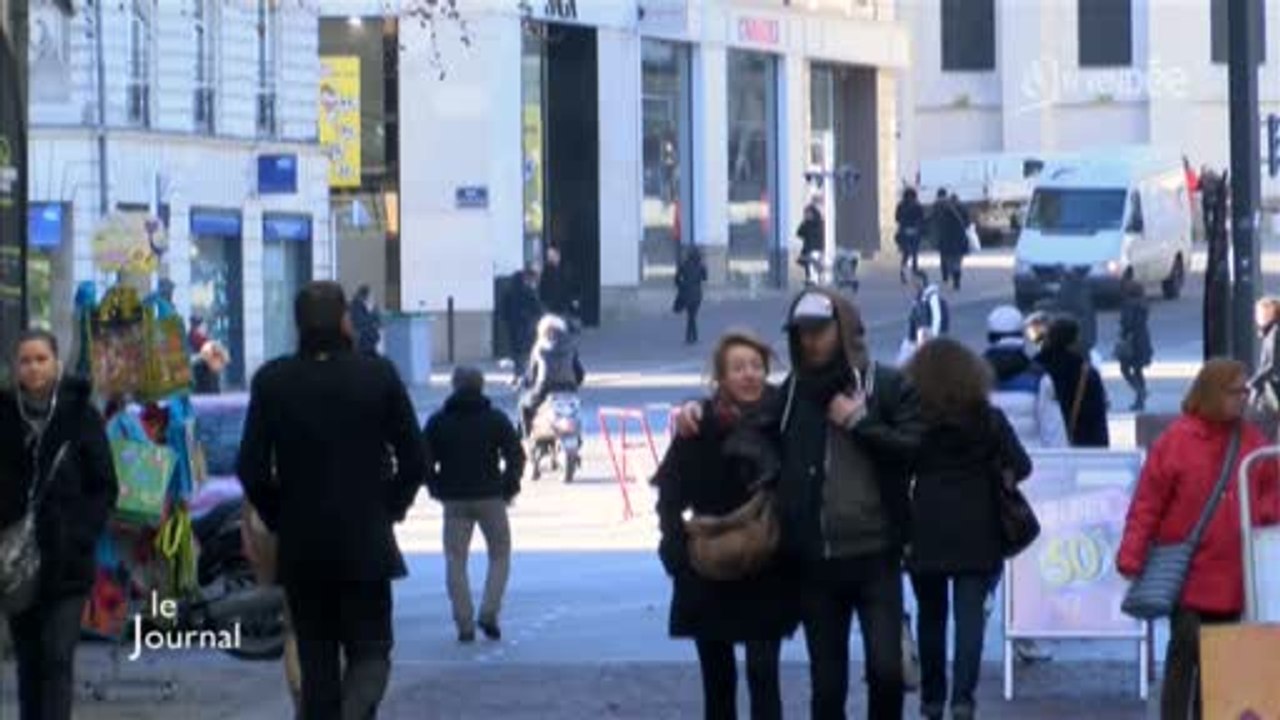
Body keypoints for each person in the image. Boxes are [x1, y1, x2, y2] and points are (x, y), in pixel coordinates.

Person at [675, 287, 924, 719]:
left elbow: (915, 448)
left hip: (876, 555)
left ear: (842, 329)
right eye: (801, 332)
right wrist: (695, 410)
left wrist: (859, 422)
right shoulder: (793, 394)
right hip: (816, 564)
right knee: (827, 690)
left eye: (819, 331)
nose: (810, 341)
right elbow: (743, 414)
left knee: (886, 672)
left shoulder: (885, 385)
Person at [236, 281, 427, 720]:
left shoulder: (273, 381)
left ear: (299, 324)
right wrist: (390, 507)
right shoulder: (376, 375)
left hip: (304, 547)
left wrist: (280, 515)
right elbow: (415, 458)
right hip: (366, 540)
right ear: (344, 320)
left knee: (316, 659)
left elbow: (251, 467)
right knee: (371, 651)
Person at [1117, 359, 1280, 720]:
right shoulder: (1177, 441)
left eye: (1245, 391)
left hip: (1235, 573)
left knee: (1217, 660)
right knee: (1187, 653)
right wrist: (1132, 555)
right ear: (1211, 393)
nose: (1244, 399)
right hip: (1190, 570)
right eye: (1235, 392)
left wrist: (1265, 514)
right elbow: (1147, 504)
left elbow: (1271, 488)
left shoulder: (1250, 438)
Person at [654, 331, 798, 720]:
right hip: (709, 566)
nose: (749, 375)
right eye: (738, 368)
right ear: (721, 377)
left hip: (767, 564)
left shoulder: (784, 421)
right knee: (717, 680)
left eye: (756, 366)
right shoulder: (698, 426)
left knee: (763, 673)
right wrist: (675, 548)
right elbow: (669, 490)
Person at [903, 338, 1031, 720]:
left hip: (925, 523)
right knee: (970, 616)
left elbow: (896, 465)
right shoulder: (988, 419)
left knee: (931, 615)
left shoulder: (914, 419)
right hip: (978, 525)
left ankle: (931, 699)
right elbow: (1021, 466)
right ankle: (963, 699)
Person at [0, 330, 119, 720]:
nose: (33, 368)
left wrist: (80, 534)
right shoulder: (4, 416)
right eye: (25, 360)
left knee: (57, 657)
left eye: (40, 359)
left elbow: (104, 485)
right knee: (29, 661)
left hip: (66, 559)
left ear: (56, 364)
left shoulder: (80, 416)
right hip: (15, 561)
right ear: (15, 368)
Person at [982, 306, 1064, 664]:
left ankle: (982, 604)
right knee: (1028, 560)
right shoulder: (1038, 377)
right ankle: (1026, 636)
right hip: (1030, 481)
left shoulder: (974, 377)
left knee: (986, 557)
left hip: (985, 481)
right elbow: (1054, 434)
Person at [424, 366, 525, 643]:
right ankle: (489, 612)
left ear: (454, 386)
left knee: (455, 560)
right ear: (482, 386)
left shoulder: (439, 421)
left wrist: (435, 486)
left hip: (454, 499)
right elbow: (516, 454)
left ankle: (464, 623)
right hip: (490, 496)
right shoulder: (494, 419)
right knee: (500, 555)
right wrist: (509, 485)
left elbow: (423, 459)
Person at [1036, 317, 1109, 448]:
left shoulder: (1034, 370)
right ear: (1074, 341)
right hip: (1081, 447)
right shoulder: (1087, 374)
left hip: (1042, 448)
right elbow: (1097, 422)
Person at [519, 315, 585, 439]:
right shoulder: (571, 347)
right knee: (574, 411)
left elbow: (531, 374)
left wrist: (526, 382)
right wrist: (575, 382)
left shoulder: (539, 347)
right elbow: (579, 373)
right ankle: (577, 437)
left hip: (544, 388)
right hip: (568, 388)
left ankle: (527, 436)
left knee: (524, 405)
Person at [1116, 274, 1154, 412]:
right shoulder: (1143, 304)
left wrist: (1123, 331)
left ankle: (1140, 392)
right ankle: (1140, 399)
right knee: (1138, 370)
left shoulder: (1128, 304)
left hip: (1131, 342)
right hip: (1142, 340)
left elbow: (1127, 323)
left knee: (1125, 369)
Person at [503, 267, 543, 383]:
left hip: (513, 326)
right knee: (528, 351)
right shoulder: (527, 291)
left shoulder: (508, 291)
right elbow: (537, 308)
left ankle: (517, 374)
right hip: (526, 325)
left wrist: (507, 320)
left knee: (516, 352)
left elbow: (503, 308)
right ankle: (528, 374)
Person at [1053, 266, 1097, 360]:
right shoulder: (1080, 286)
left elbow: (1063, 305)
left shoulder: (1071, 287)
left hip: (1078, 336)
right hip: (1082, 337)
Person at [1248, 296, 1280, 416]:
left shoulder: (1275, 332)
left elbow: (1272, 364)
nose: (1257, 317)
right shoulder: (1270, 331)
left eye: (1260, 313)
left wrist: (1253, 383)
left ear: (1271, 313)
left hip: (1275, 387)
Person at [931, 190, 968, 291]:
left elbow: (938, 225)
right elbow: (967, 223)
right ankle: (956, 280)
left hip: (948, 240)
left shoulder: (943, 211)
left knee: (949, 261)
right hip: (960, 239)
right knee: (957, 261)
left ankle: (953, 276)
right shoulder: (962, 209)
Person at [675, 245, 708, 345]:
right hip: (697, 294)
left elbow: (676, 278)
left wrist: (681, 286)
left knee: (691, 316)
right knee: (692, 316)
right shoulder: (701, 266)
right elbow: (705, 278)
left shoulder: (683, 265)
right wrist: (704, 267)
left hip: (686, 293)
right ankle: (692, 337)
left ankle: (691, 337)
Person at [895, 189, 925, 283]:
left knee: (906, 254)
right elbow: (921, 218)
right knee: (915, 253)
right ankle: (914, 273)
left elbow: (897, 218)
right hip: (915, 231)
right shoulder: (917, 205)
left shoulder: (901, 205)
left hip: (904, 231)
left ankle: (903, 273)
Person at [538, 245, 574, 318]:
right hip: (550, 305)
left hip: (563, 305)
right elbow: (542, 287)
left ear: (557, 255)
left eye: (551, 255)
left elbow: (570, 285)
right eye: (548, 255)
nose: (549, 257)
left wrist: (571, 299)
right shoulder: (547, 270)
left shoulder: (566, 268)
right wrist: (544, 302)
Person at [796, 202, 825, 285]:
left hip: (816, 249)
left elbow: (820, 237)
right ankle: (811, 281)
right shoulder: (807, 224)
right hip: (808, 249)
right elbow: (799, 233)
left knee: (813, 267)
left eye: (808, 213)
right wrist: (804, 222)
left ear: (813, 213)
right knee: (808, 267)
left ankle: (814, 282)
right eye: (805, 213)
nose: (806, 215)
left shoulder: (819, 223)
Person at [349, 285, 382, 356]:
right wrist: (370, 315)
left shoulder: (373, 306)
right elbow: (359, 323)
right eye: (371, 296)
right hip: (361, 342)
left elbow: (379, 323)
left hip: (372, 341)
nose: (372, 298)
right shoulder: (355, 306)